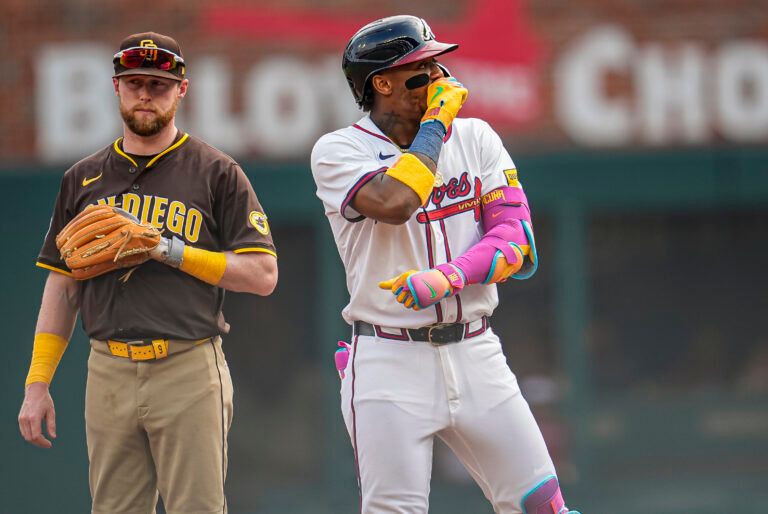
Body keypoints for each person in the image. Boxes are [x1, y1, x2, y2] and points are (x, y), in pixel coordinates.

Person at [311, 16, 580, 514]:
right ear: (382, 83)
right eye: (420, 70)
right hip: (389, 358)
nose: (439, 80)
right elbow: (395, 200)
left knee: (543, 506)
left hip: (476, 350)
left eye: (438, 64)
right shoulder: (338, 150)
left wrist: (449, 277)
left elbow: (516, 239)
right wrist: (435, 125)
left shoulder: (476, 137)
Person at [18, 32, 278, 514]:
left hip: (187, 365)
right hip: (107, 368)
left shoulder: (216, 172)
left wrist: (169, 249)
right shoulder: (82, 178)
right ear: (115, 87)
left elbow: (263, 275)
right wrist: (38, 383)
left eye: (158, 84)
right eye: (135, 82)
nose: (145, 94)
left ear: (182, 90)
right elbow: (61, 283)